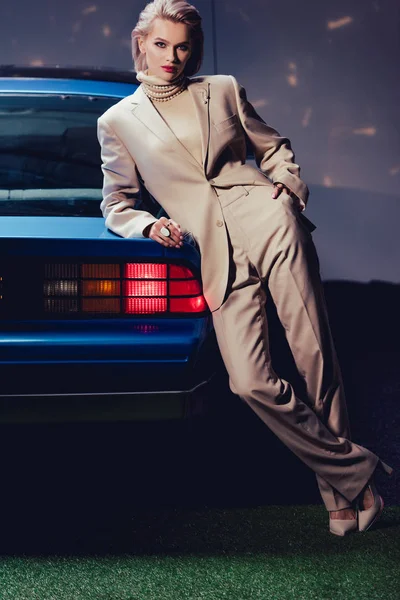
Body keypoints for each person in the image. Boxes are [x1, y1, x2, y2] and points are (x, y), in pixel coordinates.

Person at [97, 0, 393, 535]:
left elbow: (273, 147)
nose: (172, 56)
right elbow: (116, 203)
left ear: (195, 48)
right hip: (213, 251)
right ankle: (357, 471)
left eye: (183, 45)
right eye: (161, 44)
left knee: (314, 356)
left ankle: (339, 497)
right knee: (250, 382)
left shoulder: (223, 89)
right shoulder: (117, 121)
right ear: (141, 43)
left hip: (268, 222)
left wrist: (289, 193)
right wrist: (148, 226)